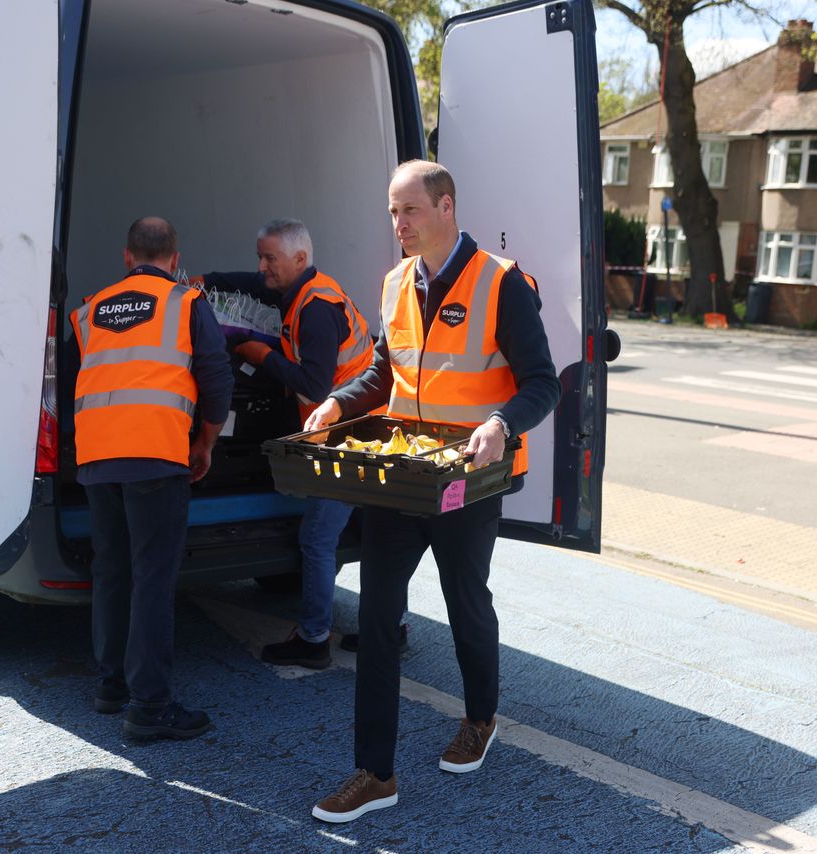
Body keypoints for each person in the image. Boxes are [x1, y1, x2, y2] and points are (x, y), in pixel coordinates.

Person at [304, 160, 561, 822]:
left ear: (446, 206)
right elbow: (381, 374)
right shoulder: (394, 283)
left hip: (468, 479)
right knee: (378, 614)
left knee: (464, 600)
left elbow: (543, 382)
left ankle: (479, 717)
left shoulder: (500, 283)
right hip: (402, 474)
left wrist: (502, 424)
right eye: (392, 212)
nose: (398, 225)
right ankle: (374, 773)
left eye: (409, 211)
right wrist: (336, 404)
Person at [70, 216, 233, 740]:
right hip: (156, 456)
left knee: (112, 571)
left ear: (127, 256)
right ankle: (150, 707)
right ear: (174, 256)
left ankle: (111, 685)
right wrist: (205, 441)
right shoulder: (187, 303)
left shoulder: (92, 308)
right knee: (152, 579)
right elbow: (216, 376)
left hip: (97, 458)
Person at [203, 219, 375, 669]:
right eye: (259, 256)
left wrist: (262, 356)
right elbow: (255, 287)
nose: (262, 267)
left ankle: (314, 639)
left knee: (317, 538)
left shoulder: (316, 311)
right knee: (378, 533)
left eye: (269, 259)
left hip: (345, 437)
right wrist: (209, 282)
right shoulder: (308, 288)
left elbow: (314, 386)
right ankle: (385, 629)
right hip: (366, 429)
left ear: (299, 260)